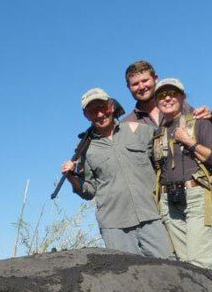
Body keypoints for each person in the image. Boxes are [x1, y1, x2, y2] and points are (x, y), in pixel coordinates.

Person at [61, 88, 173, 258]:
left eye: (102, 107)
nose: (99, 114)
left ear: (111, 106)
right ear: (86, 116)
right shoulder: (86, 149)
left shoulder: (137, 130)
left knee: (169, 268)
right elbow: (89, 191)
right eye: (92, 111)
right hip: (114, 225)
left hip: (151, 214)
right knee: (129, 276)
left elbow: (170, 137)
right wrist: (71, 177)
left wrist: (198, 118)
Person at [153, 78, 212, 273]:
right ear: (156, 101)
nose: (167, 98)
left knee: (203, 263)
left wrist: (189, 142)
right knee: (185, 266)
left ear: (183, 97)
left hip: (197, 197)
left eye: (173, 94)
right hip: (170, 202)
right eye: (161, 95)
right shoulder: (158, 132)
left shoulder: (199, 123)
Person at [123, 60, 212, 150]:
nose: (141, 87)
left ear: (155, 79)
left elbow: (205, 144)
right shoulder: (126, 125)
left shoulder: (184, 108)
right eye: (135, 84)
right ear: (128, 87)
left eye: (145, 80)